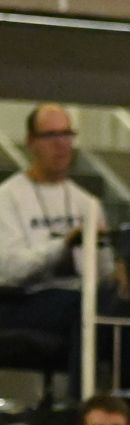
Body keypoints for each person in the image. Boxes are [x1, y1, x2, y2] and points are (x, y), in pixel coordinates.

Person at [0, 104, 112, 379]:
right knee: (87, 309)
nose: (61, 144)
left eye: (66, 134)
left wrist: (114, 269)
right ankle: (80, 397)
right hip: (22, 301)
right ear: (31, 142)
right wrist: (63, 245)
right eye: (51, 135)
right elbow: (9, 271)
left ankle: (127, 395)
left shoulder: (87, 202)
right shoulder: (7, 198)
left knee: (124, 308)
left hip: (77, 297)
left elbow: (102, 273)